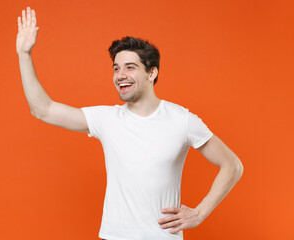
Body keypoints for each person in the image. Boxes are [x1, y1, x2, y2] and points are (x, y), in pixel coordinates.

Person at [16, 6, 244, 240]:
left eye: (130, 67)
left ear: (151, 73)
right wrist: (24, 55)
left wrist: (199, 213)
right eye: (116, 68)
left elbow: (232, 166)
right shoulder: (107, 119)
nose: (120, 75)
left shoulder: (182, 120)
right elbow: (43, 110)